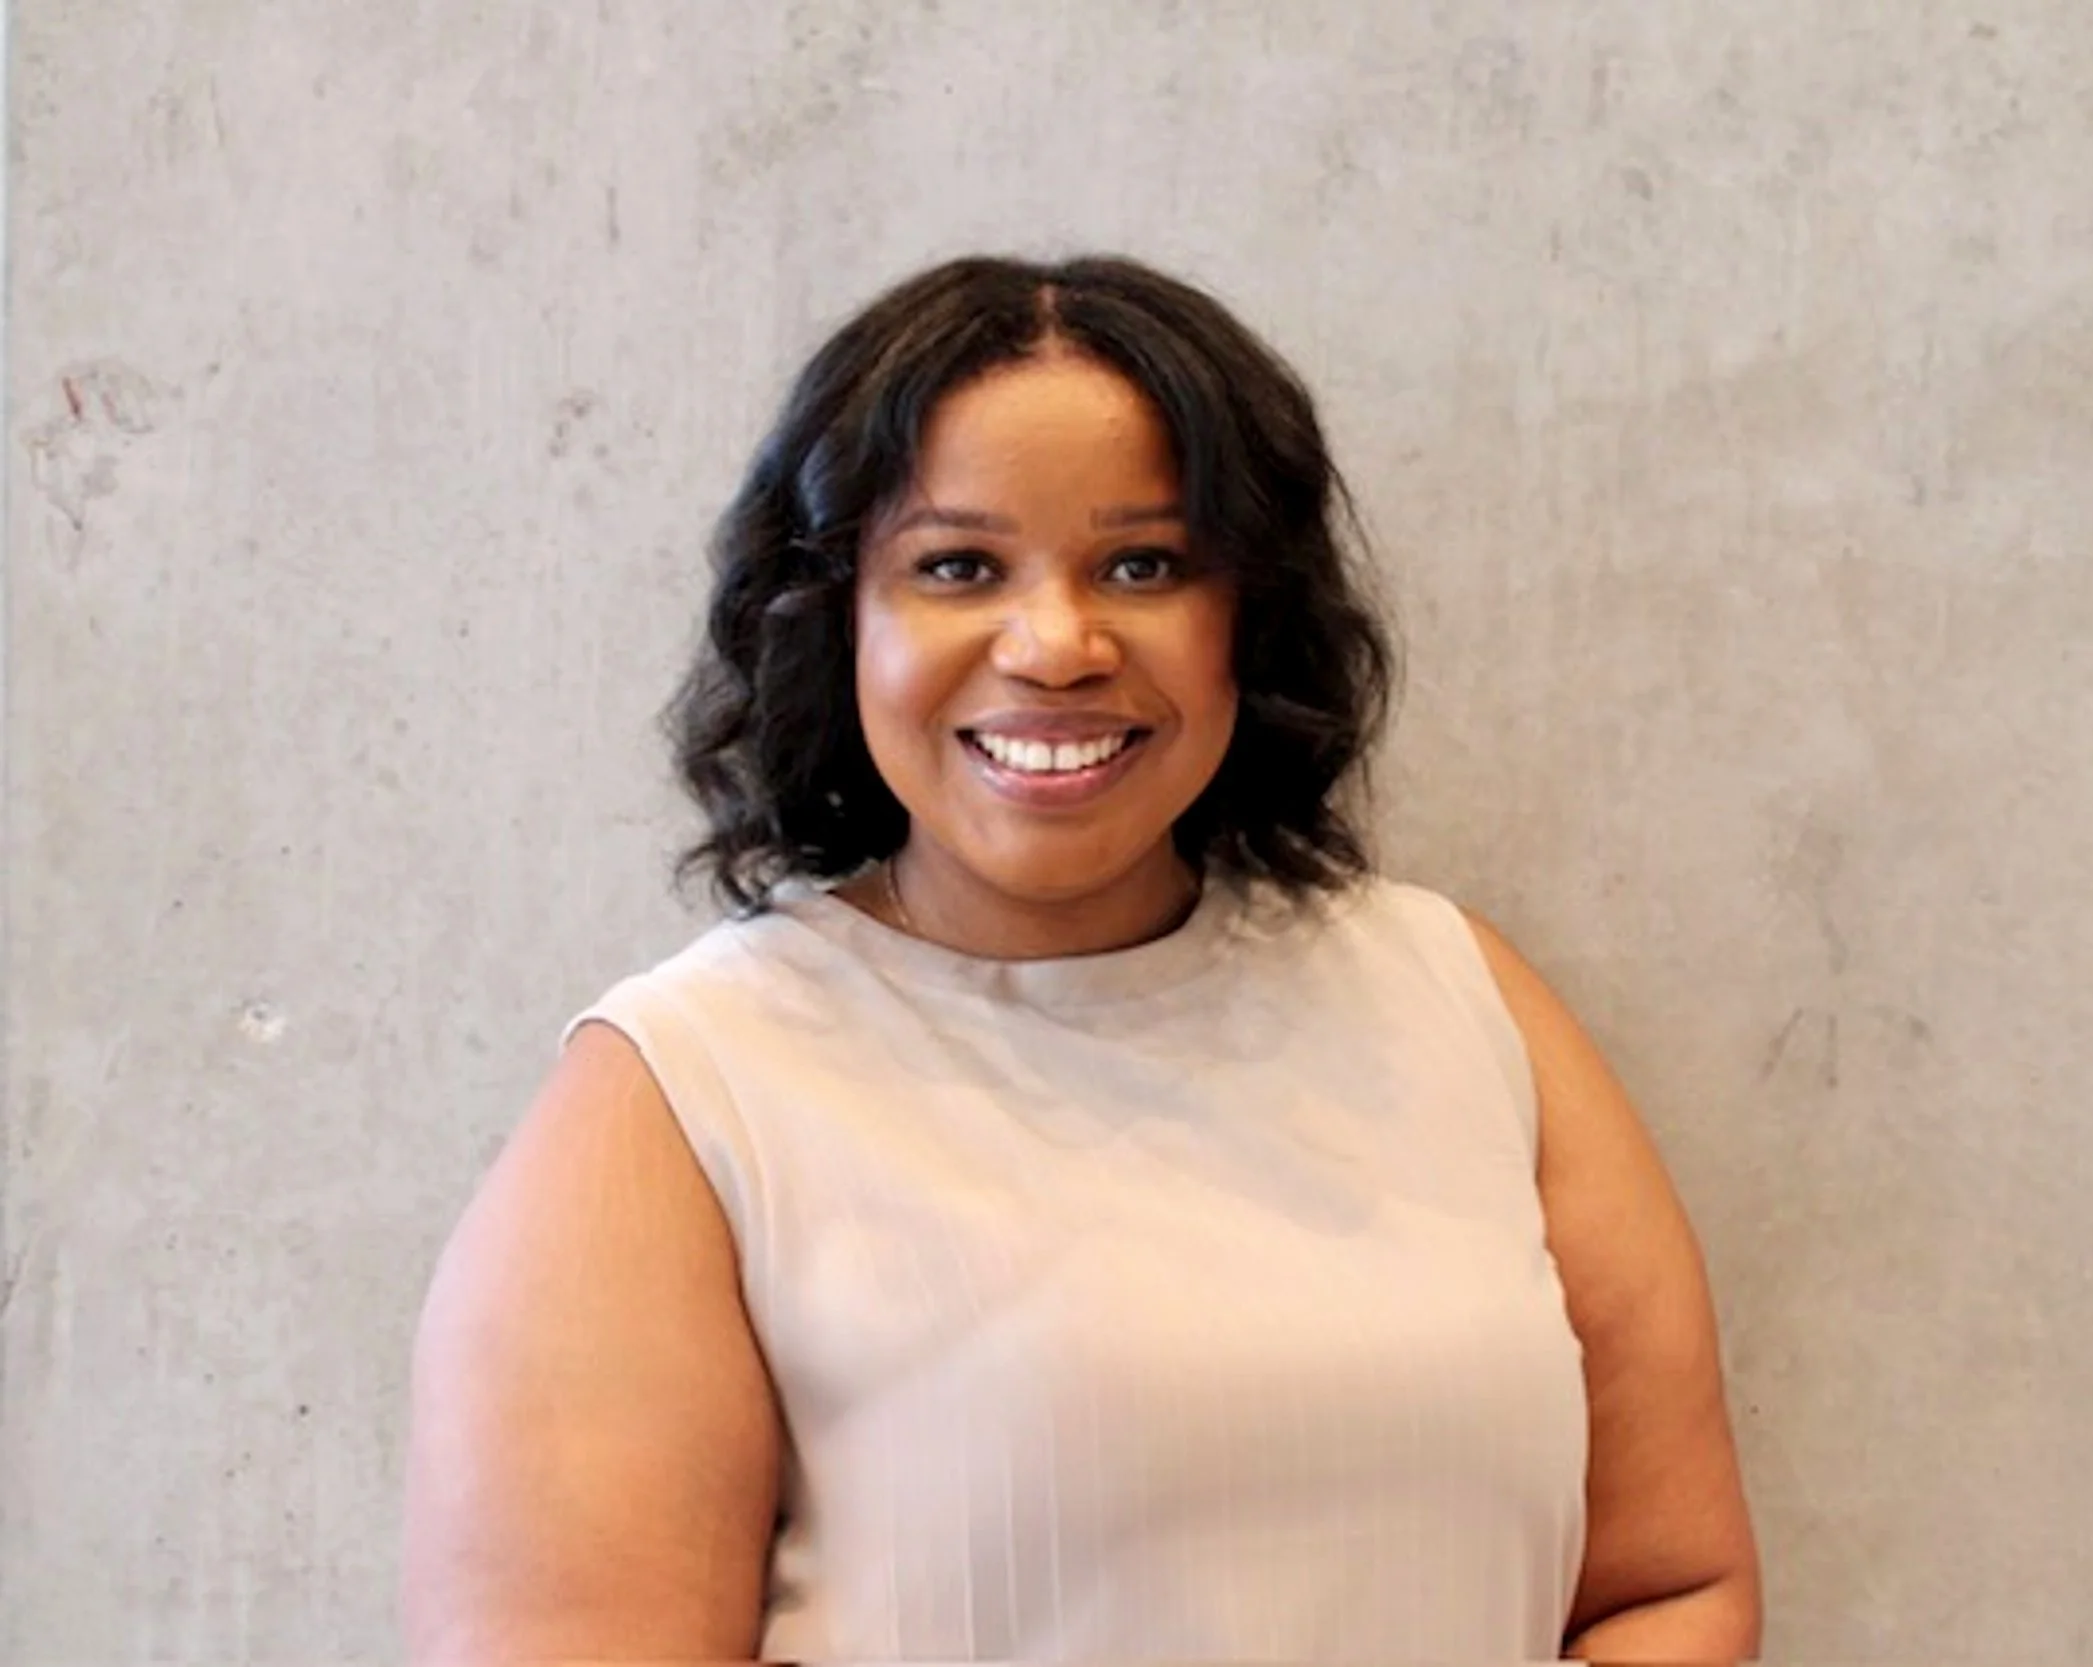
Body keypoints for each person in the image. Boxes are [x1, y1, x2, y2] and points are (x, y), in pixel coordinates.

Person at [401, 254, 1760, 1663]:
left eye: (1144, 563)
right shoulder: (683, 1098)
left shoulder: (1455, 995)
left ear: (1252, 616)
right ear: (834, 624)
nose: (1056, 643)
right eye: (957, 566)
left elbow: (1666, 1591)